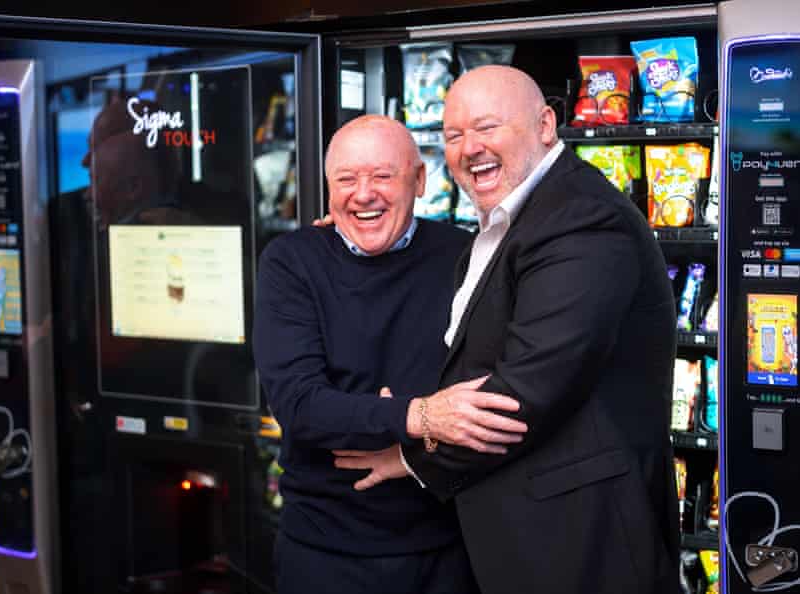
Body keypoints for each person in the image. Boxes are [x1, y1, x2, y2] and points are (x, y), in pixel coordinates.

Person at [334, 66, 681, 594]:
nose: (470, 147)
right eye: (454, 136)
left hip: (583, 543)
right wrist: (345, 230)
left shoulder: (582, 219)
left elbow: (523, 396)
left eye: (487, 127)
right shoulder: (510, 219)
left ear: (546, 125)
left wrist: (413, 450)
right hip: (528, 538)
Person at [253, 114, 528, 594]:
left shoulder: (468, 257)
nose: (364, 194)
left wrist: (371, 415)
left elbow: (491, 398)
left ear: (420, 180)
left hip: (447, 545)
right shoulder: (291, 261)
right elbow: (300, 407)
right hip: (324, 551)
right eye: (346, 179)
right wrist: (420, 415)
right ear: (328, 188)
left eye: (383, 176)